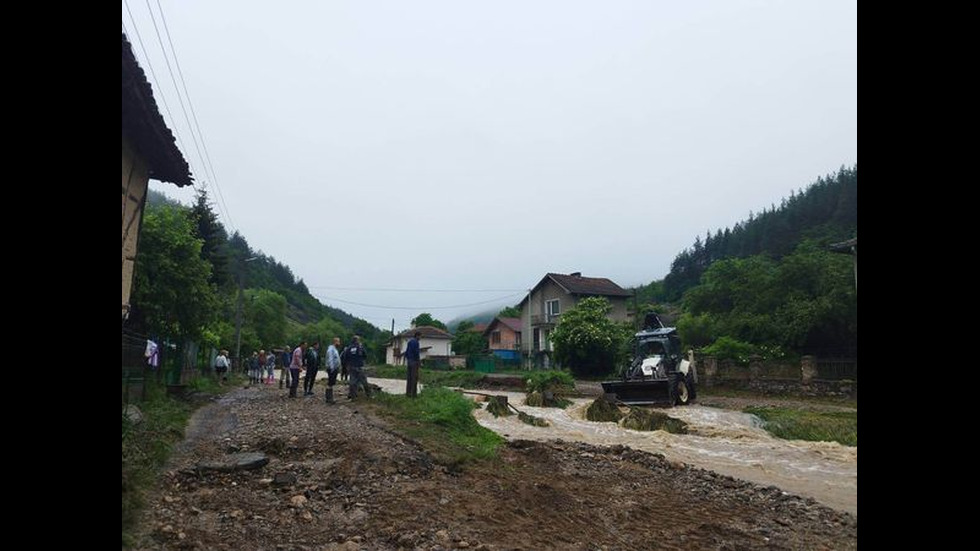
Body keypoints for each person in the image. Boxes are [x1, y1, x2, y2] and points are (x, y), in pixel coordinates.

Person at [405, 331, 422, 398]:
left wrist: (408, 359)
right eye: (420, 336)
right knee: (414, 378)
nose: (420, 338)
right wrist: (418, 361)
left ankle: (408, 393)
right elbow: (416, 352)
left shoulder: (410, 342)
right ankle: (413, 395)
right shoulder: (416, 342)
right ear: (417, 336)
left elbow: (406, 352)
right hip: (414, 362)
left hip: (409, 361)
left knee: (409, 378)